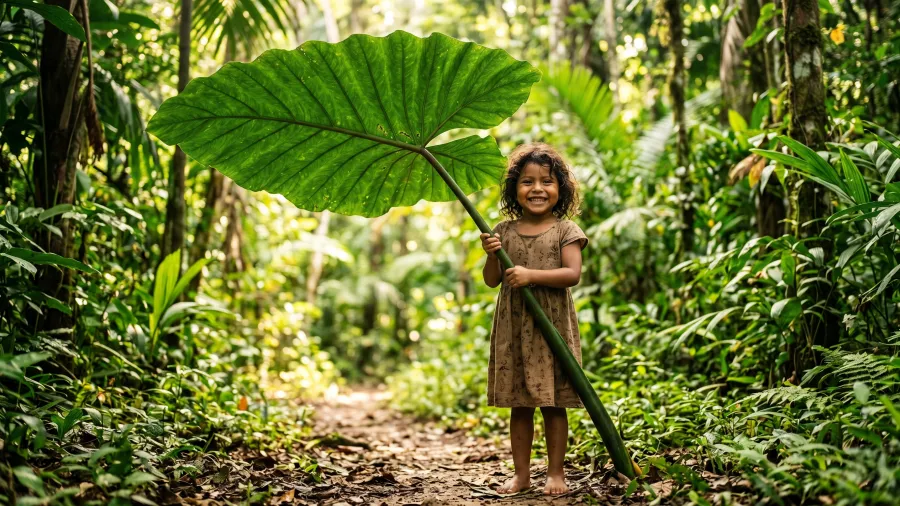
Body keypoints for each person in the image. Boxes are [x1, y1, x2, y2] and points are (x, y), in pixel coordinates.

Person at [479, 143, 588, 496]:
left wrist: (530, 276)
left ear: (561, 189)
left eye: (547, 181)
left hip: (552, 326)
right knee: (520, 404)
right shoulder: (504, 231)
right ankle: (522, 475)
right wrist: (492, 255)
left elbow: (572, 274)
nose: (537, 189)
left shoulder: (566, 230)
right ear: (515, 189)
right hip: (515, 327)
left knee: (553, 404)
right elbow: (492, 280)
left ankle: (556, 473)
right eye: (527, 182)